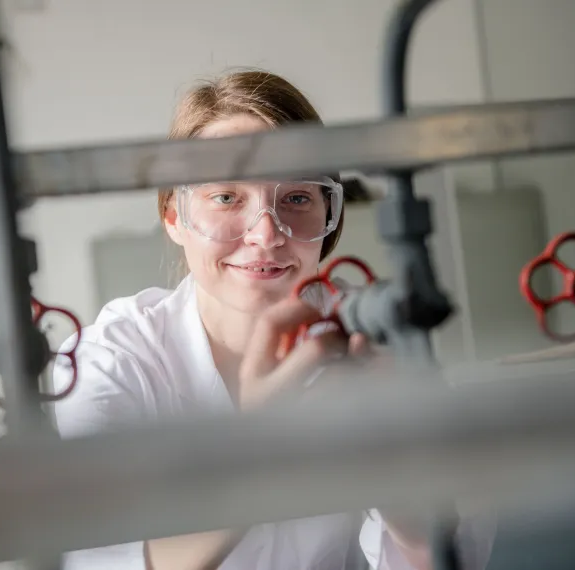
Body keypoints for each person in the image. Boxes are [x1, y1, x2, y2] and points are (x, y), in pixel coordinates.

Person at [51, 69, 496, 570]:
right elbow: (97, 561)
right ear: (174, 216)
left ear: (330, 215)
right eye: (226, 197)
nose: (266, 234)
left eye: (298, 199)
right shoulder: (115, 360)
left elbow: (457, 554)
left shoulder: (370, 343)